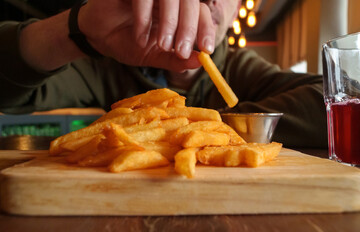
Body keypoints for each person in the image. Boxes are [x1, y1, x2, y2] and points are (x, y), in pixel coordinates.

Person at [0, 0, 327, 148]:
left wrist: (193, 128)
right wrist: (77, 30)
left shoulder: (240, 67)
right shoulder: (108, 62)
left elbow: (329, 100)